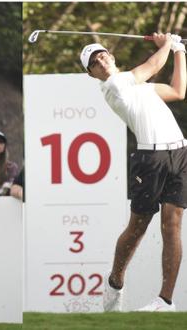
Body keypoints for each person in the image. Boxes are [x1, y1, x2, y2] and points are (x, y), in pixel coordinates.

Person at [81, 33, 186, 312]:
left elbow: (178, 91)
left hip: (179, 154)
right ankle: (115, 282)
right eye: (93, 62)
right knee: (138, 228)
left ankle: (165, 300)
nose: (100, 60)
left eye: (102, 54)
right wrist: (166, 43)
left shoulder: (139, 85)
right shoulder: (115, 84)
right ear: (92, 74)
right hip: (149, 158)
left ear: (111, 56)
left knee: (172, 225)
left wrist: (178, 50)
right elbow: (151, 66)